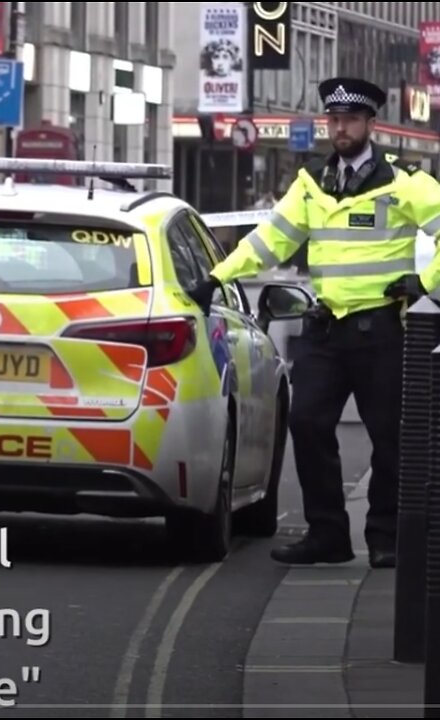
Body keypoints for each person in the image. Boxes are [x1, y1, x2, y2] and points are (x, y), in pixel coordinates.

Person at [189, 77, 440, 569]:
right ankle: (328, 534)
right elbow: (269, 242)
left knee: (389, 436)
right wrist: (216, 278)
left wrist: (424, 281)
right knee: (306, 424)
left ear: (370, 124)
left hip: (383, 330)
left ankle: (385, 537)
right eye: (333, 120)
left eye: (349, 119)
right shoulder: (311, 183)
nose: (339, 128)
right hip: (326, 330)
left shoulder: (402, 181)